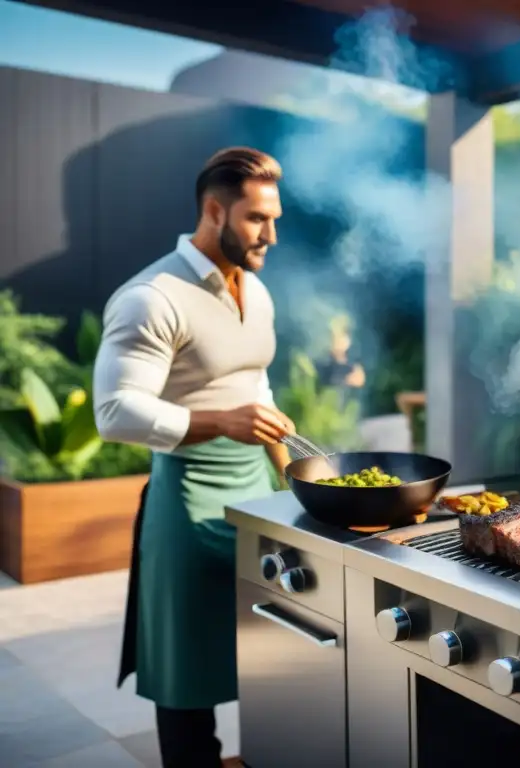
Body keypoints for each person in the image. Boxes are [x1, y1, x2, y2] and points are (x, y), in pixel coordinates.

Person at [92, 147, 295, 767]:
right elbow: (114, 412)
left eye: (275, 218)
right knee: (186, 662)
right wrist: (221, 421)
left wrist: (296, 480)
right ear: (214, 211)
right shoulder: (151, 298)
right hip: (186, 498)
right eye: (258, 218)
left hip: (258, 488)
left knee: (274, 636)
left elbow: (255, 384)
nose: (272, 235)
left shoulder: (256, 293)